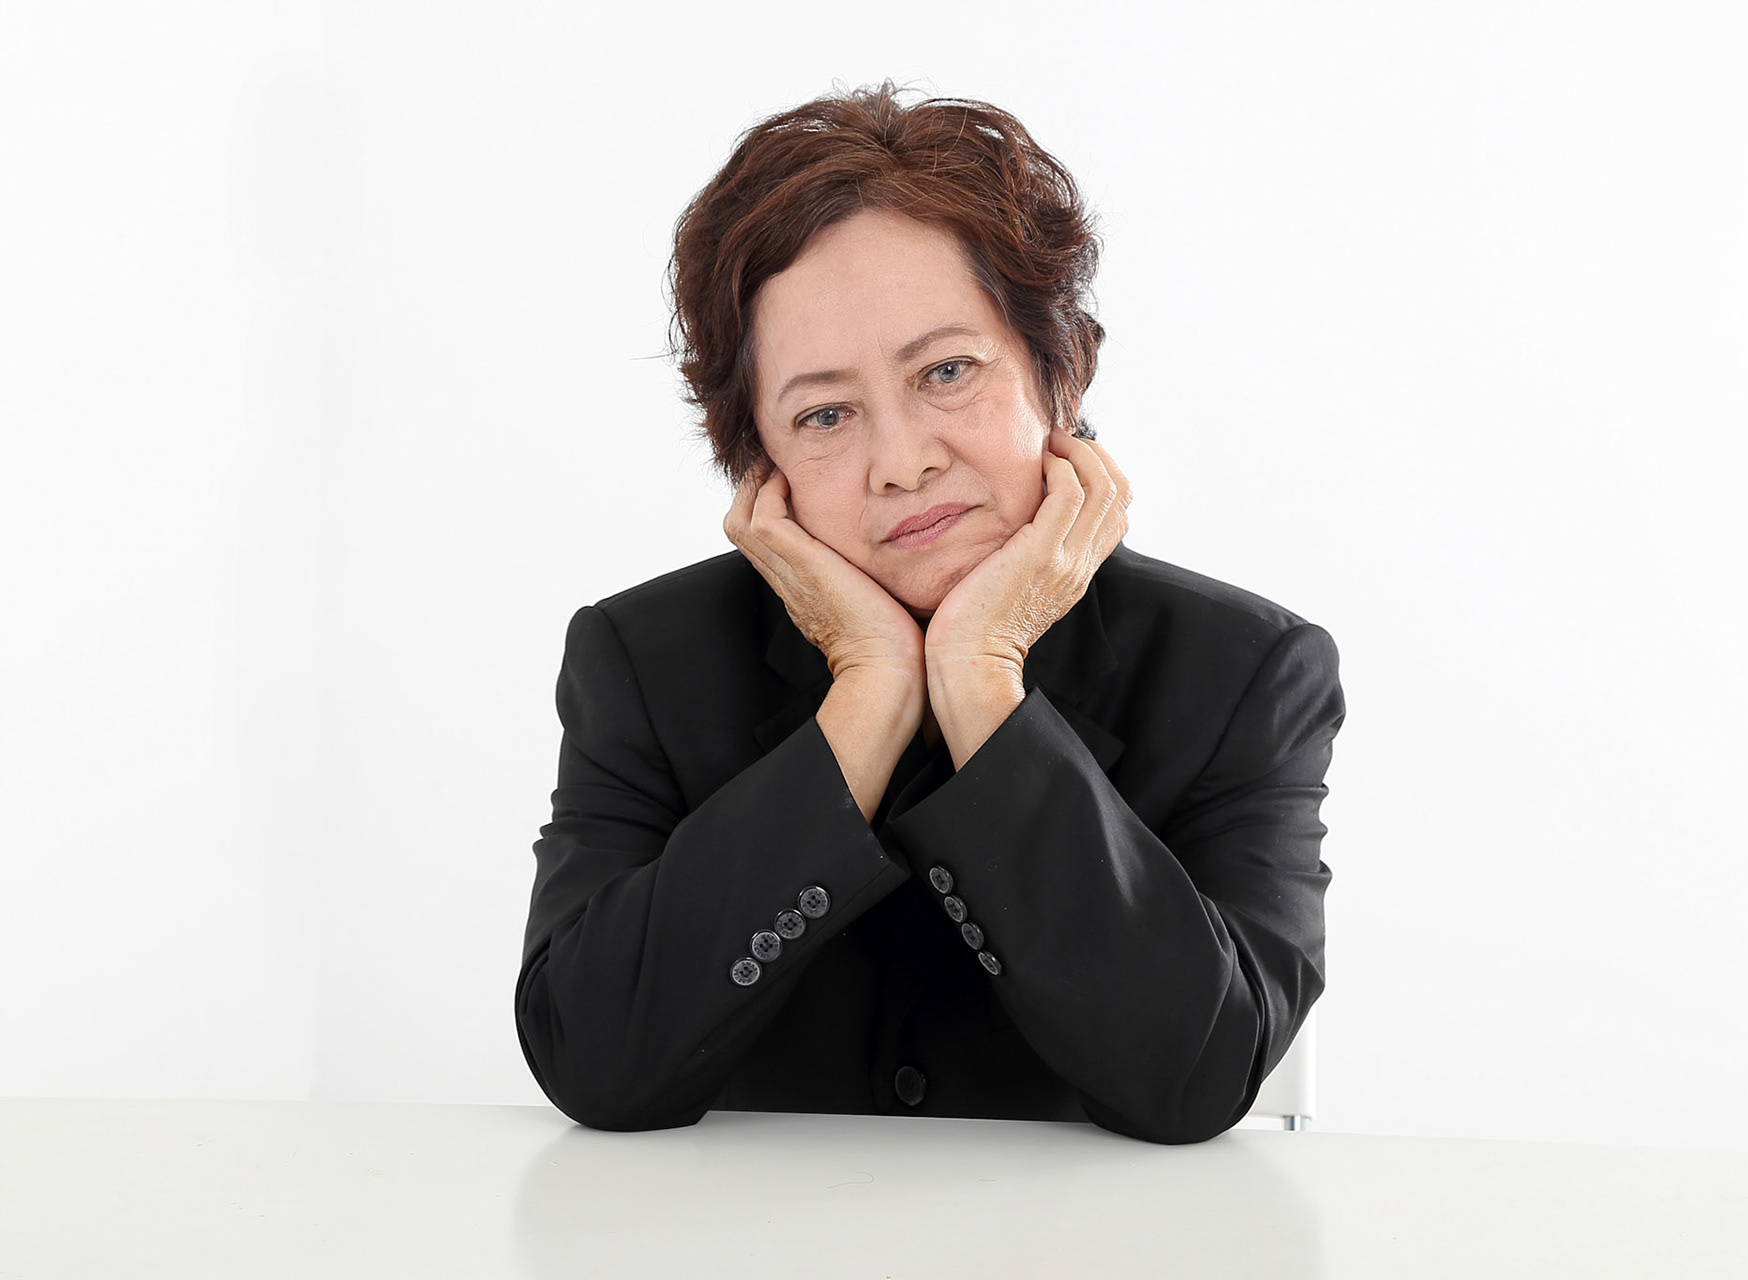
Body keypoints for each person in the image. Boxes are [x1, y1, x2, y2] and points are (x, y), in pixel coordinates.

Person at [514, 82, 1344, 1146]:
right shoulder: (643, 659)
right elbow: (596, 1062)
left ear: (1063, 367)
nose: (901, 462)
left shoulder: (1242, 672)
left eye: (947, 371)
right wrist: (869, 693)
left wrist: (982, 673)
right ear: (759, 460)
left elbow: (1196, 1076)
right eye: (824, 414)